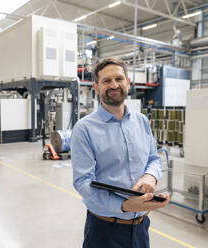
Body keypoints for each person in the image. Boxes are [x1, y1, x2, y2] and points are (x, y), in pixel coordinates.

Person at [71, 57, 170, 248]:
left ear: (128, 83)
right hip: (104, 230)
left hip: (141, 226)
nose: (114, 85)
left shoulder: (141, 121)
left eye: (119, 79)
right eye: (106, 81)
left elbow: (153, 159)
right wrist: (123, 206)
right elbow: (82, 182)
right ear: (96, 87)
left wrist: (150, 176)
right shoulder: (84, 129)